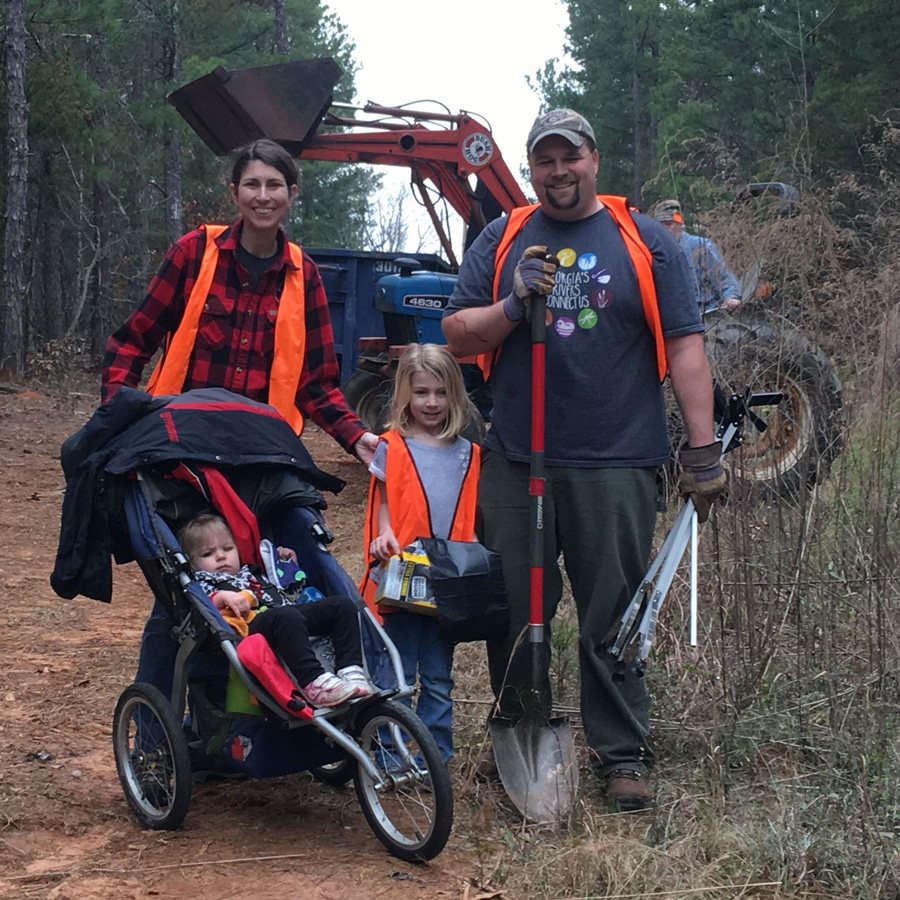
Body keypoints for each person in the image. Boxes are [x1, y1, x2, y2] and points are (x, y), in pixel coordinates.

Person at [442, 108, 726, 811]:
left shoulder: (647, 242)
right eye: (545, 161)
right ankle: (518, 727)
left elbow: (687, 346)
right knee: (514, 606)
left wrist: (702, 446)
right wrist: (512, 305)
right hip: (517, 459)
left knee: (615, 610)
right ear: (531, 169)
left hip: (616, 459)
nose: (558, 172)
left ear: (594, 159)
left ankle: (622, 754)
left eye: (570, 157)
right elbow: (455, 334)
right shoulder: (503, 237)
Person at [101, 138, 378, 701]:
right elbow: (134, 339)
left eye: (275, 185)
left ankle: (273, 703)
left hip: (262, 456)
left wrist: (361, 439)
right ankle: (161, 728)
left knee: (280, 577)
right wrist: (116, 411)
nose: (263, 195)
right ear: (234, 192)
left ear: (291, 194)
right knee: (183, 588)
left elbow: (318, 383)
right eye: (251, 184)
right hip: (184, 454)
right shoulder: (194, 254)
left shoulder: (306, 277)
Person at [360, 344, 480, 762]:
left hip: (445, 587)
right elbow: (384, 501)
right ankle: (387, 759)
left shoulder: (470, 454)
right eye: (422, 392)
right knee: (393, 676)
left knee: (437, 677)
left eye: (441, 393)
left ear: (455, 396)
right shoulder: (391, 446)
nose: (431, 402)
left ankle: (434, 758)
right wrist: (384, 535)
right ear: (405, 396)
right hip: (399, 580)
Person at [180, 513, 373, 708]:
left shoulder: (251, 573)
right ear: (193, 563)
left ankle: (350, 670)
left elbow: (287, 591)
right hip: (250, 629)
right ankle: (313, 682)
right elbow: (201, 606)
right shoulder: (203, 582)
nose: (221, 556)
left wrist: (288, 565)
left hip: (285, 616)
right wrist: (221, 597)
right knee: (286, 616)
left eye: (228, 549)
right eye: (207, 554)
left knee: (341, 605)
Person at [650, 198, 742, 314]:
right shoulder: (651, 252)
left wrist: (731, 298)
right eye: (660, 226)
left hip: (704, 315)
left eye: (669, 224)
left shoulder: (700, 247)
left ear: (680, 224)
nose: (664, 229)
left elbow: (723, 279)